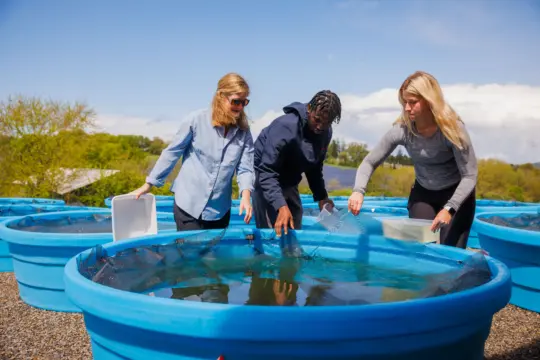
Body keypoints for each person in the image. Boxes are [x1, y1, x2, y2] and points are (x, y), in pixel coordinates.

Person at [348, 71, 478, 249]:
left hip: (457, 196)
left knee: (451, 254)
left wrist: (449, 209)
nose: (407, 108)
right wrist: (358, 191)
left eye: (412, 102)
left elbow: (470, 175)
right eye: (404, 102)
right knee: (420, 249)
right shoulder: (402, 130)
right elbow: (369, 162)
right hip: (423, 193)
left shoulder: (453, 130)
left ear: (429, 100)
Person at [131, 73, 255, 231]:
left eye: (244, 102)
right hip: (188, 204)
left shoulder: (243, 132)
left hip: (219, 209)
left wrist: (246, 196)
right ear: (221, 97)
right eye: (236, 101)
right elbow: (172, 152)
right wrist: (149, 184)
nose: (240, 107)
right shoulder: (195, 120)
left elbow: (245, 168)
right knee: (191, 254)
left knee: (212, 255)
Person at [253, 90, 342, 236]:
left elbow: (315, 168)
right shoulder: (285, 126)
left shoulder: (325, 133)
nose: (320, 127)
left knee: (295, 222)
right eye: (317, 119)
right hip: (266, 176)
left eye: (326, 123)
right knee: (273, 232)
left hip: (290, 177)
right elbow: (267, 171)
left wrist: (322, 198)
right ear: (309, 109)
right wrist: (280, 205)